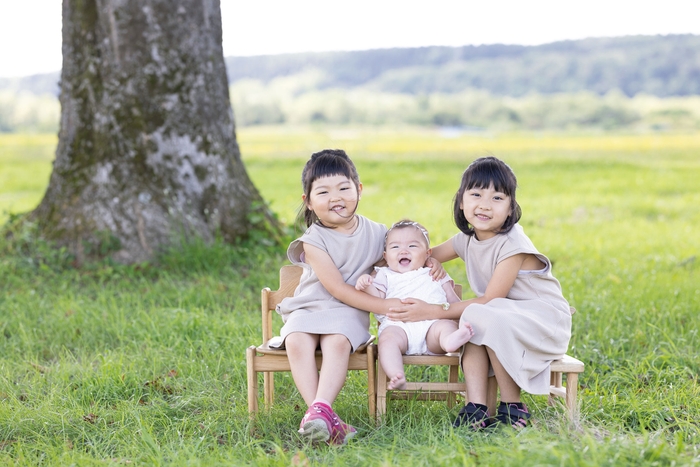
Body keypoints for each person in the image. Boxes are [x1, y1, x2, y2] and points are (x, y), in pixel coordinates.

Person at [387, 156, 573, 430]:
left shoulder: (513, 244)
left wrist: (431, 311)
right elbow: (420, 256)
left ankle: (513, 407)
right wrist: (419, 260)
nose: (485, 204)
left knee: (480, 313)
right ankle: (476, 408)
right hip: (502, 316)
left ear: (511, 209)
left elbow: (491, 299)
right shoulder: (467, 239)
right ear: (461, 202)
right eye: (476, 194)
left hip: (543, 323)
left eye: (497, 197)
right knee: (473, 320)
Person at [275, 149, 443, 445]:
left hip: (349, 310)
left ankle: (320, 414)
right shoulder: (313, 240)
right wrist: (384, 306)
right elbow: (336, 288)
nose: (335, 197)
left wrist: (430, 260)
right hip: (311, 304)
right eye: (323, 191)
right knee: (296, 339)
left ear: (359, 190)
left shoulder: (378, 233)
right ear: (309, 202)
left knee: (337, 340)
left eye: (343, 188)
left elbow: (405, 254)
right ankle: (322, 414)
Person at [355, 220, 474, 390]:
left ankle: (450, 341)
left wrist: (458, 319)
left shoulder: (435, 272)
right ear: (385, 256)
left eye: (412, 246)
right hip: (398, 327)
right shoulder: (384, 275)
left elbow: (454, 302)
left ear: (427, 254)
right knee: (387, 341)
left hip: (432, 327)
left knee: (445, 326)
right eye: (395, 247)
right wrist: (367, 286)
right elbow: (378, 299)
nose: (403, 250)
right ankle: (396, 374)